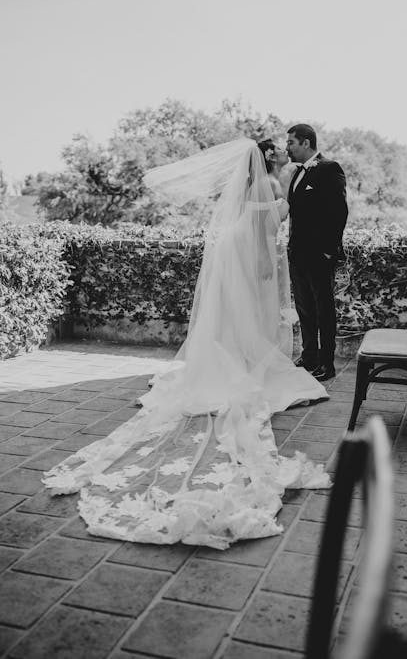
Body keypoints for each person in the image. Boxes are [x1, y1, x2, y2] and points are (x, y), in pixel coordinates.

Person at [43, 138, 331, 550]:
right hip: (248, 250)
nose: (285, 152)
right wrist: (268, 262)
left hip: (237, 249)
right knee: (247, 314)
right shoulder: (267, 183)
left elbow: (261, 221)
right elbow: (264, 225)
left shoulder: (260, 181)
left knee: (234, 318)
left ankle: (238, 358)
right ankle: (246, 364)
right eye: (280, 149)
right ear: (268, 157)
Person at [286, 124, 348, 382]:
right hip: (297, 254)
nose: (287, 147)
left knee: (324, 310)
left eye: (291, 142)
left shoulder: (328, 168)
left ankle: (327, 363)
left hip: (319, 255)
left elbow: (339, 212)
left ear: (306, 143)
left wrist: (328, 251)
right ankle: (309, 356)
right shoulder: (296, 173)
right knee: (304, 308)